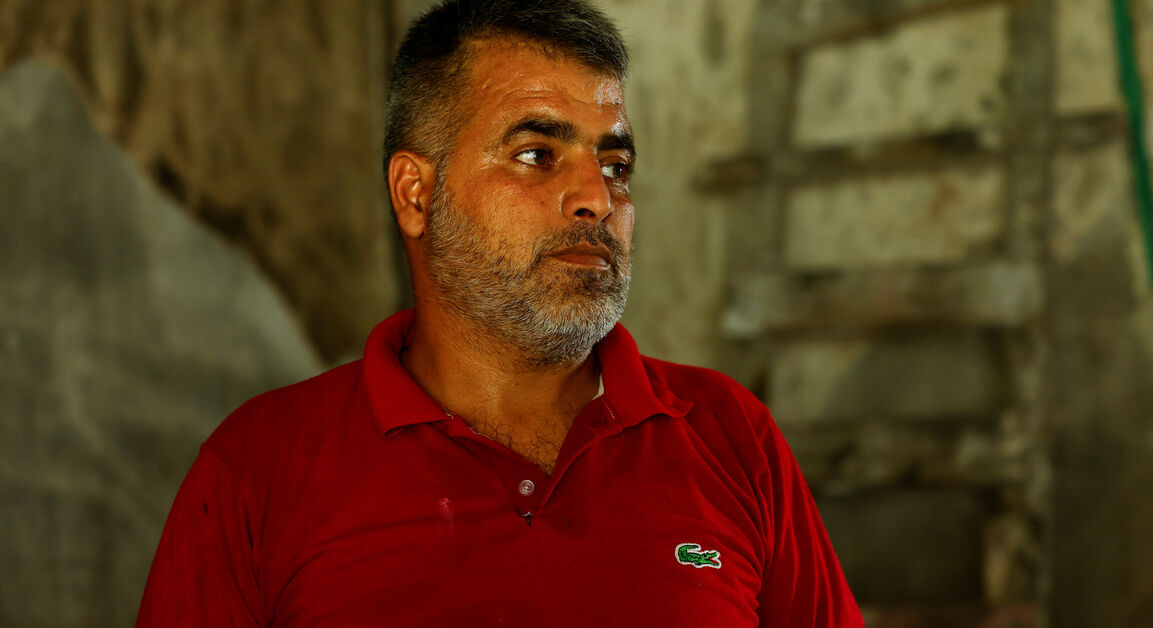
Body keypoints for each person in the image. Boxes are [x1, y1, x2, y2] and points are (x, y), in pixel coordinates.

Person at [136, 0, 862, 625]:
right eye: (536, 154)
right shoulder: (259, 467)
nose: (596, 198)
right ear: (416, 194)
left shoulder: (731, 437)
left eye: (615, 166)